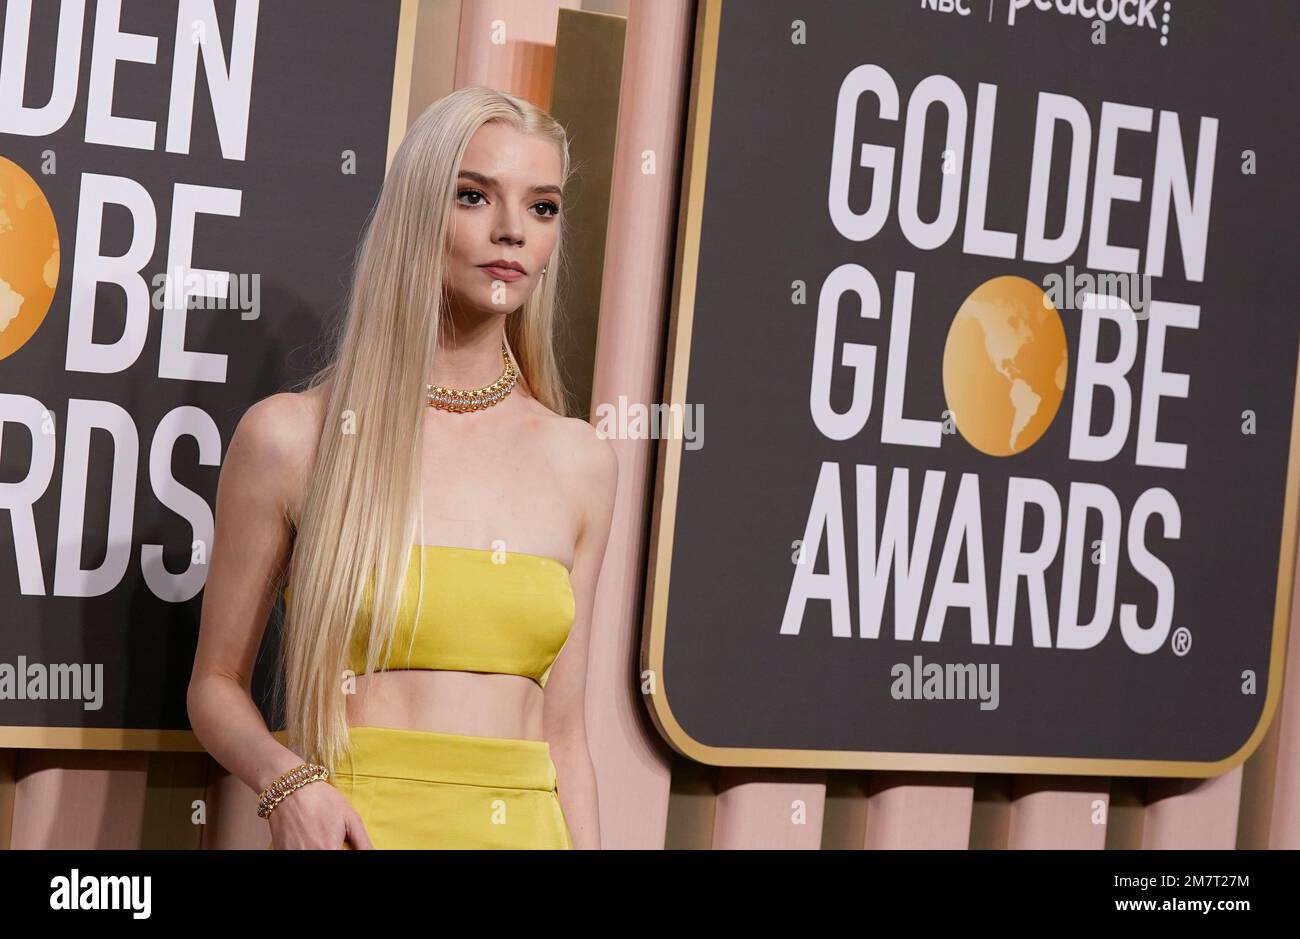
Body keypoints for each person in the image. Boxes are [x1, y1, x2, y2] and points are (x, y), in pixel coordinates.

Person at [186, 86, 618, 849]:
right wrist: (287, 781)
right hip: (359, 831)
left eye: (543, 207)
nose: (512, 231)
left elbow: (565, 734)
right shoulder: (293, 438)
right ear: (418, 209)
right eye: (474, 196)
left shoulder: (578, 458)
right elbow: (215, 686)